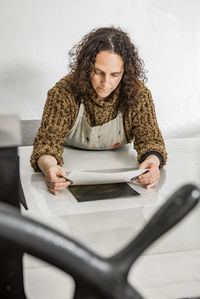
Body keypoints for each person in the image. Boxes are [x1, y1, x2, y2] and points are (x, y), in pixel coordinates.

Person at [30, 26, 167, 195]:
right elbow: (46, 145)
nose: (105, 83)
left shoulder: (137, 94)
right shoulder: (63, 93)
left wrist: (153, 161)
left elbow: (151, 141)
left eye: (115, 74)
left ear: (125, 72)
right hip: (70, 170)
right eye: (98, 72)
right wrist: (50, 167)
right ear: (86, 67)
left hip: (119, 170)